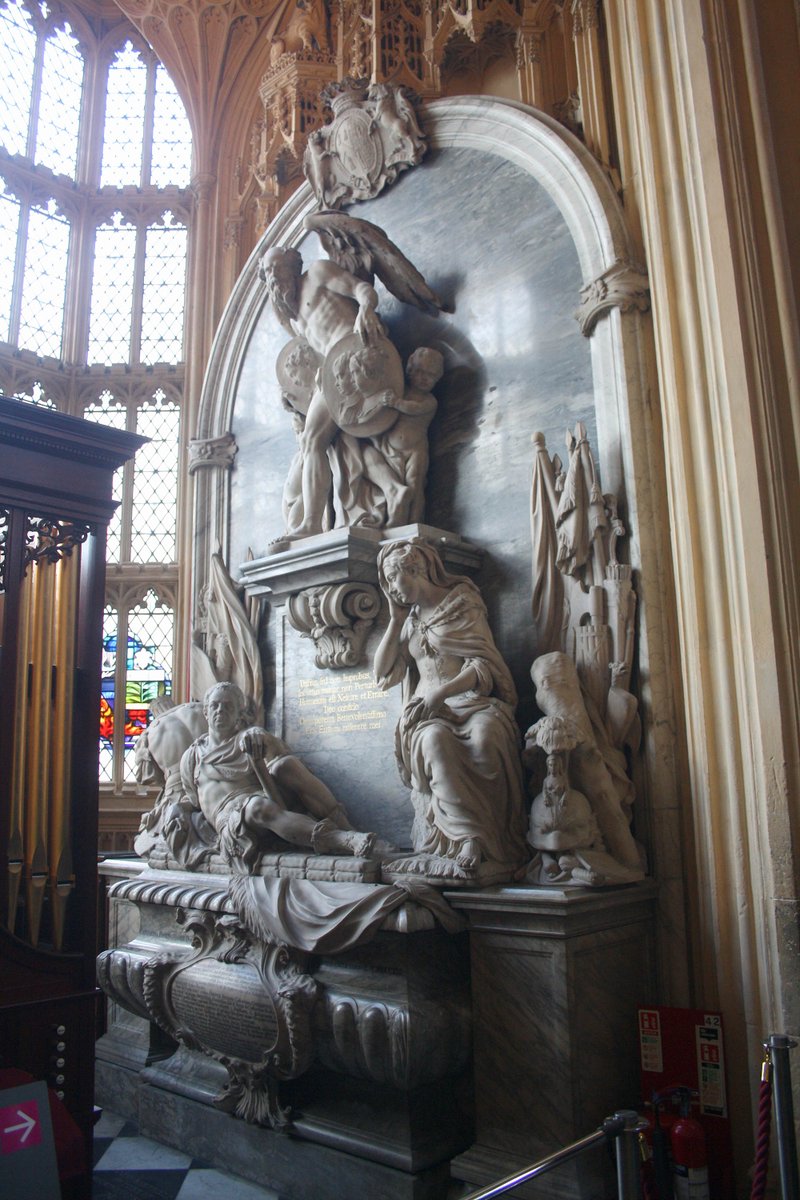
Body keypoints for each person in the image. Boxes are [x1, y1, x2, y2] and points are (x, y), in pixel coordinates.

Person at [374, 538, 529, 882]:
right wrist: (395, 620)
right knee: (434, 741)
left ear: (416, 570)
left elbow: (482, 666)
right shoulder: (409, 617)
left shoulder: (462, 602)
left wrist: (440, 694)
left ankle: (498, 845)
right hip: (428, 714)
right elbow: (382, 673)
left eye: (393, 579)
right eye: (385, 583)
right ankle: (467, 839)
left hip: (470, 700)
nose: (392, 590)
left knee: (489, 736)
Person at [167, 682, 375, 871]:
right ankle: (343, 840)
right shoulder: (192, 756)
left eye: (228, 706)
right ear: (205, 711)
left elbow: (275, 752)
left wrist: (260, 741)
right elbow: (193, 801)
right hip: (230, 817)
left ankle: (347, 826)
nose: (220, 710)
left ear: (240, 714)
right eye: (215, 705)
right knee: (257, 807)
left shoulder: (247, 739)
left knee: (286, 766)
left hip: (264, 800)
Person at [260, 245, 383, 537]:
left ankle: (311, 525)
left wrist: (366, 308)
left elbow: (362, 289)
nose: (274, 276)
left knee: (313, 439)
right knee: (311, 442)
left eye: (278, 267)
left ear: (293, 265)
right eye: (268, 272)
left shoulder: (317, 274)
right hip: (332, 371)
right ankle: (316, 520)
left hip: (354, 354)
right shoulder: (292, 317)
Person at [362, 347, 443, 525]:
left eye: (430, 375)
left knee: (415, 484)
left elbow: (414, 409)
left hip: (415, 451)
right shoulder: (401, 389)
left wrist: (396, 403)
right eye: (420, 371)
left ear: (437, 379)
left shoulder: (429, 401)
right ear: (410, 369)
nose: (423, 378)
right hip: (389, 449)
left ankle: (414, 520)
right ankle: (396, 516)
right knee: (392, 483)